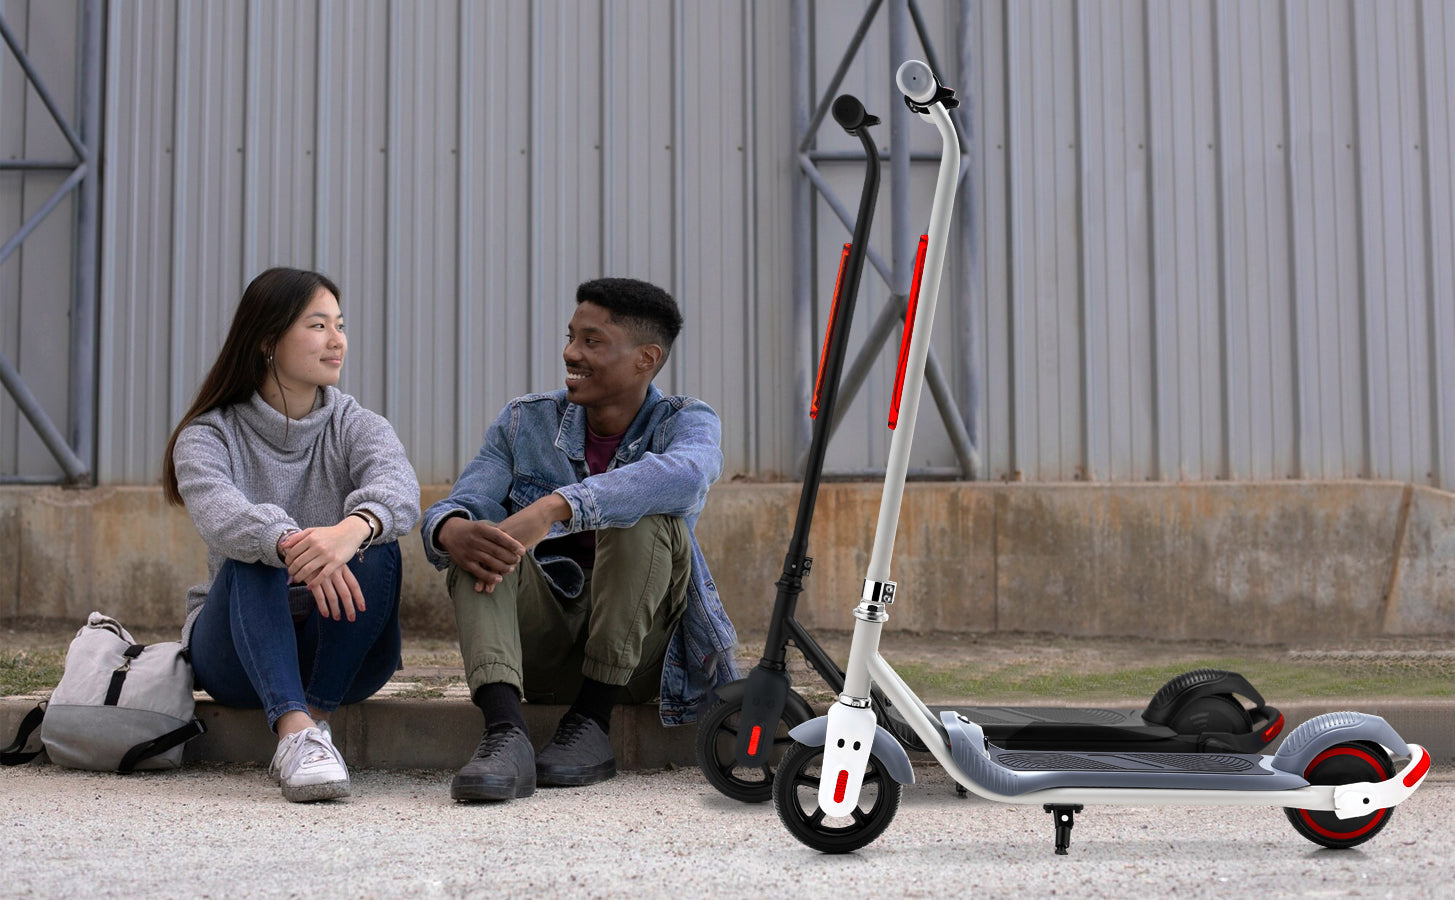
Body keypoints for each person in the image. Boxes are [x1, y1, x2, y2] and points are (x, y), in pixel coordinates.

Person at [421, 277, 738, 801]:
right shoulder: (526, 421)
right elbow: (467, 499)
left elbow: (687, 474)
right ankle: (504, 733)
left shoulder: (685, 420)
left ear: (645, 358)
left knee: (643, 516)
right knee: (482, 544)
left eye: (592, 342)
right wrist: (451, 529)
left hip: (638, 662)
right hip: (538, 651)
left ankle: (592, 722)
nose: (571, 353)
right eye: (571, 337)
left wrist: (557, 506)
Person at [162, 267, 421, 802]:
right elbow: (223, 516)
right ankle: (295, 731)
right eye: (317, 325)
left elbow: (400, 492)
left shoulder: (357, 424)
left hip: (344, 654)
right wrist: (294, 546)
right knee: (254, 552)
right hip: (237, 654)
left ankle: (313, 723)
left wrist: (351, 532)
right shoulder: (208, 434)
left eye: (340, 325)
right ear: (266, 341)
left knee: (379, 543)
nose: (337, 340)